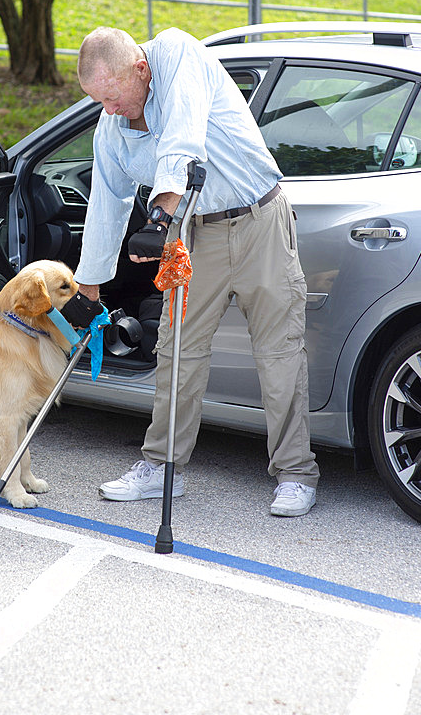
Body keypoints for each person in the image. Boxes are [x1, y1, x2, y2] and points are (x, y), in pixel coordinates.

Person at [70, 26, 319, 516]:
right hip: (195, 234)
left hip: (258, 220)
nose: (111, 110)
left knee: (279, 352)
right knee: (176, 350)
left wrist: (159, 216)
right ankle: (163, 467)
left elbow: (183, 141)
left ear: (141, 69)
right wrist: (89, 289)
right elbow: (106, 202)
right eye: (100, 101)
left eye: (115, 97)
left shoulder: (179, 54)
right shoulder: (112, 125)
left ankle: (295, 473)